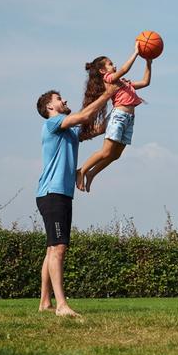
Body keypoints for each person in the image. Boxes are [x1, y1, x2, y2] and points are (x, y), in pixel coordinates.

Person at [35, 84, 117, 317]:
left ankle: (45, 302)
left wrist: (121, 103)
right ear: (50, 106)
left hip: (59, 194)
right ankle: (61, 305)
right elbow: (85, 115)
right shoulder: (51, 124)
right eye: (59, 99)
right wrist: (108, 93)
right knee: (58, 248)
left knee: (52, 249)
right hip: (52, 193)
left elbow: (98, 127)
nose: (64, 100)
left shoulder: (69, 131)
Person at [76, 42, 153, 192]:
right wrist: (136, 53)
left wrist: (148, 63)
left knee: (115, 155)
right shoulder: (109, 79)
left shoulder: (123, 83)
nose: (114, 65)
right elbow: (124, 69)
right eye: (110, 64)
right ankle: (81, 170)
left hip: (129, 120)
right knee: (106, 152)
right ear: (103, 70)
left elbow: (145, 82)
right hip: (119, 117)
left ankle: (91, 173)